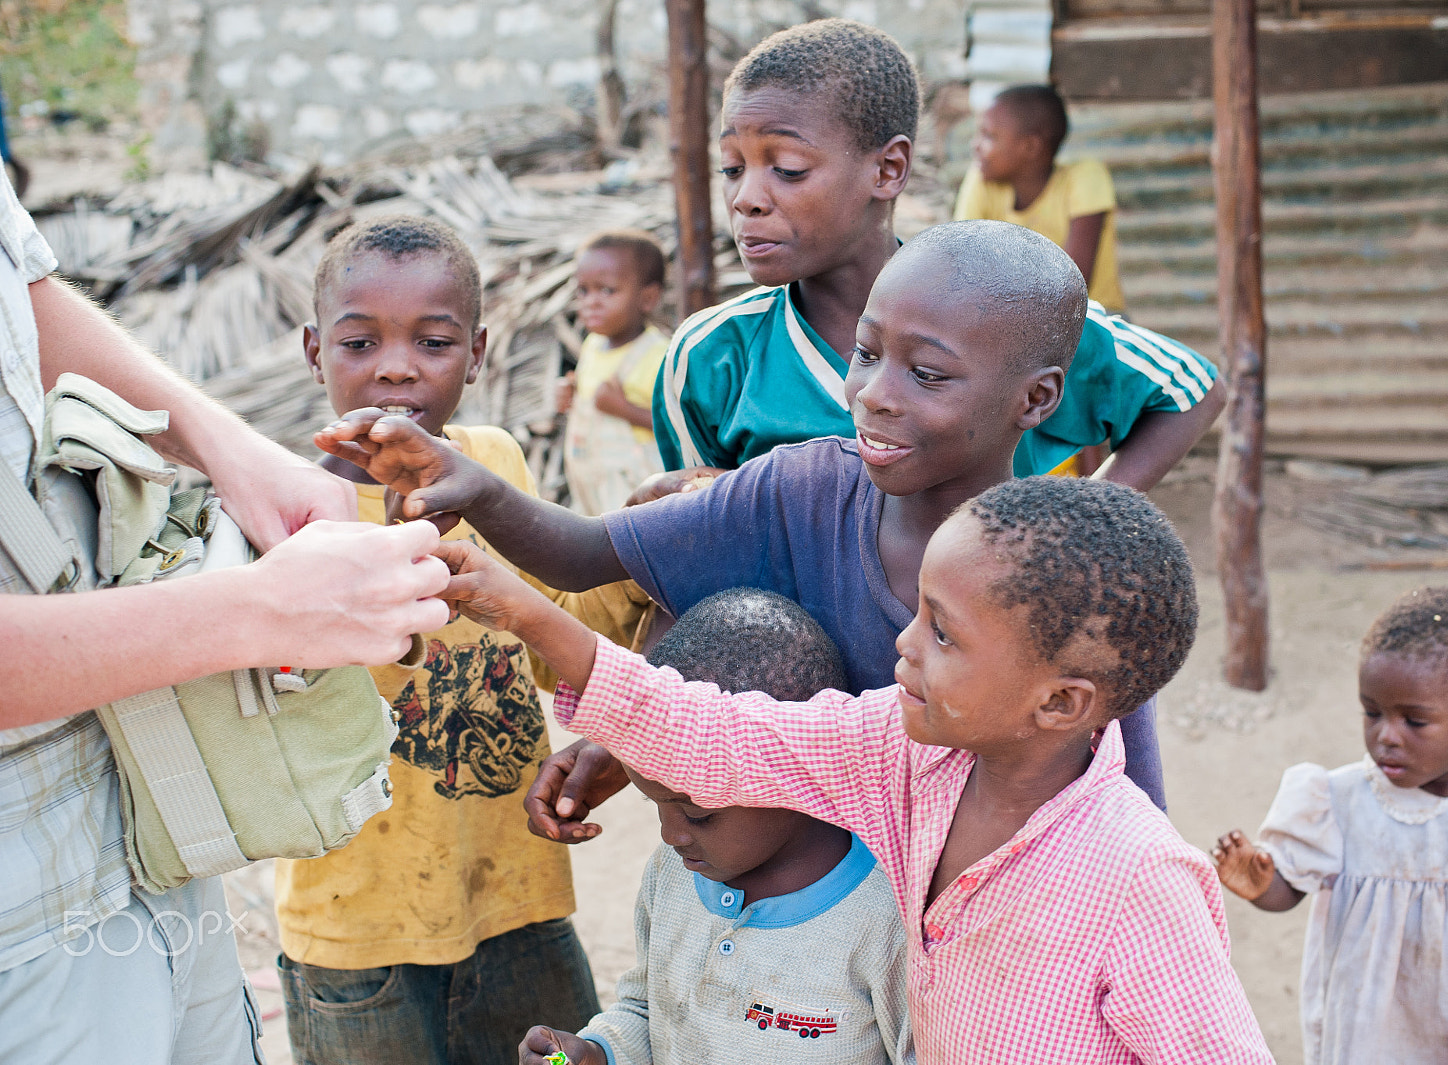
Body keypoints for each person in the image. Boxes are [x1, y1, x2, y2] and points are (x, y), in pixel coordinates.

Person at [316, 220, 1171, 816]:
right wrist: (476, 483)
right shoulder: (799, 489)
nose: (873, 393)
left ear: (1038, 399)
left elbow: (1128, 813)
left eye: (929, 374)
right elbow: (584, 556)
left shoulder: (1070, 579)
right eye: (867, 353)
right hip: (801, 914)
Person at [433, 474, 1274, 1063]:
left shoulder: (1139, 877)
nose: (903, 645)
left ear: (1059, 704)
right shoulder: (906, 757)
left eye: (943, 633)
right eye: (919, 614)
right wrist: (539, 621)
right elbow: (721, 736)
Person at [0, 174, 449, 1061]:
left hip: (136, 811)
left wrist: (226, 446)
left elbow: (23, 291)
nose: (396, 366)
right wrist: (256, 612)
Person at [279, 215, 653, 1064]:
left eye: (434, 340)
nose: (398, 364)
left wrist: (643, 546)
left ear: (478, 353)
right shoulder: (287, 509)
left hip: (517, 898)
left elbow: (565, 613)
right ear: (314, 352)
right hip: (356, 928)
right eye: (360, 340)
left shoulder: (494, 463)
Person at [649, 18, 1219, 490]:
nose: (746, 198)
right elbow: (703, 546)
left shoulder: (992, 319)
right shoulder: (710, 360)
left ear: (887, 170)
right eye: (731, 168)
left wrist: (1087, 524)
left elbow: (1192, 388)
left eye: (788, 169)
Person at [519, 588, 911, 1065]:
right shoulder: (675, 873)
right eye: (653, 803)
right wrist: (597, 1052)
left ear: (794, 768)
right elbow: (648, 1009)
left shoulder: (883, 919)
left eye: (698, 814)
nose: (670, 835)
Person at [1213, 588, 1448, 1065]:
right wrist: (1260, 883)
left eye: (1415, 721)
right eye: (1372, 712)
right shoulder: (1340, 799)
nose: (1386, 736)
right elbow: (1290, 890)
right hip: (1364, 1030)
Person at [954, 84, 1124, 314]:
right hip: (1012, 320)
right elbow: (962, 266)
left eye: (989, 135)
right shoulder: (983, 179)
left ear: (1030, 147)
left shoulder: (1085, 177)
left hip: (1094, 320)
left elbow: (1072, 290)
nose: (975, 145)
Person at [556, 230, 671, 515]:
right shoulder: (593, 345)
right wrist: (571, 395)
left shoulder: (657, 356)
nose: (591, 301)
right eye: (584, 290)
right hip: (589, 481)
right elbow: (589, 397)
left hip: (637, 490)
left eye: (607, 290)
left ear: (648, 298)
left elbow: (676, 427)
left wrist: (624, 409)